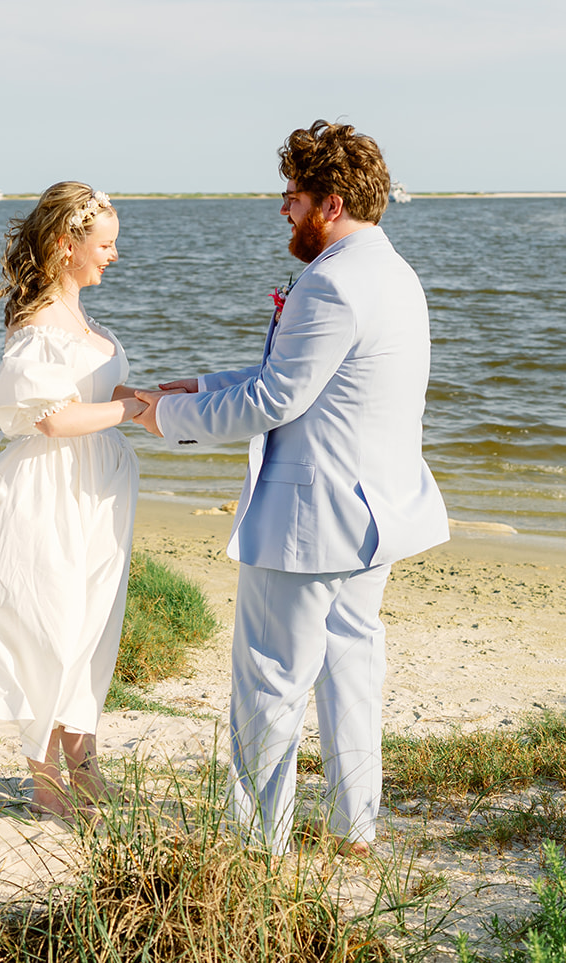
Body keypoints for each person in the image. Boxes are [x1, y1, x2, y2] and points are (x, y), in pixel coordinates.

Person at [133, 121, 449, 855]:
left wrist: (170, 416)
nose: (283, 209)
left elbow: (278, 401)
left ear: (330, 203)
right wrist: (204, 383)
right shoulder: (394, 274)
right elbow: (307, 382)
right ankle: (354, 828)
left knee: (270, 684)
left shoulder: (332, 281)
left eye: (292, 196)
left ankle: (256, 849)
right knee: (351, 671)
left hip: (312, 521)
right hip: (374, 516)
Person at [0, 181, 146, 819]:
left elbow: (92, 391)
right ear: (68, 246)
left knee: (93, 627)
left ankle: (84, 767)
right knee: (55, 633)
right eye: (105, 244)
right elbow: (53, 420)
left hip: (95, 490)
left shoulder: (79, 318)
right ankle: (47, 782)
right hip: (51, 491)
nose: (113, 256)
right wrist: (129, 409)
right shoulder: (38, 323)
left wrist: (154, 401)